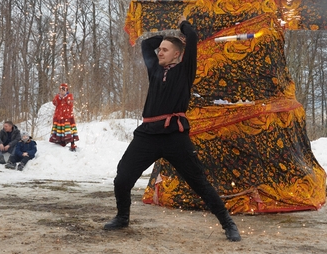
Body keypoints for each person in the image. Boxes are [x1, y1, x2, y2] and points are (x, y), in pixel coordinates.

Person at [103, 18, 241, 241]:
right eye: (160, 50)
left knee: (199, 182)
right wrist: (167, 36)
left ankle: (228, 223)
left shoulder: (185, 71)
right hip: (147, 135)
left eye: (165, 50)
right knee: (122, 178)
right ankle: (122, 217)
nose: (160, 52)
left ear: (177, 54)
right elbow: (146, 44)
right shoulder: (155, 71)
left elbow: (192, 36)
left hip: (174, 136)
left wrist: (182, 27)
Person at [49, 83, 79, 151]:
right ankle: (60, 141)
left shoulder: (70, 96)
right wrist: (59, 97)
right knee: (59, 129)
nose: (62, 91)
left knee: (69, 130)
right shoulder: (57, 96)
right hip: (58, 116)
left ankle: (72, 143)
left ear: (66, 90)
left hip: (67, 116)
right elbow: (54, 103)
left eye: (63, 90)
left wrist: (65, 97)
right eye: (61, 90)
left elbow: (70, 102)